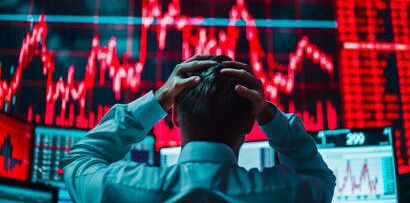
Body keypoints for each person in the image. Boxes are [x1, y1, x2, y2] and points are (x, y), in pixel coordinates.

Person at [61, 54, 336, 203]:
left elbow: (79, 160)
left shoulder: (122, 187)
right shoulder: (284, 192)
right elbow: (318, 175)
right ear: (251, 122)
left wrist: (159, 99)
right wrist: (270, 117)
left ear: (175, 116)